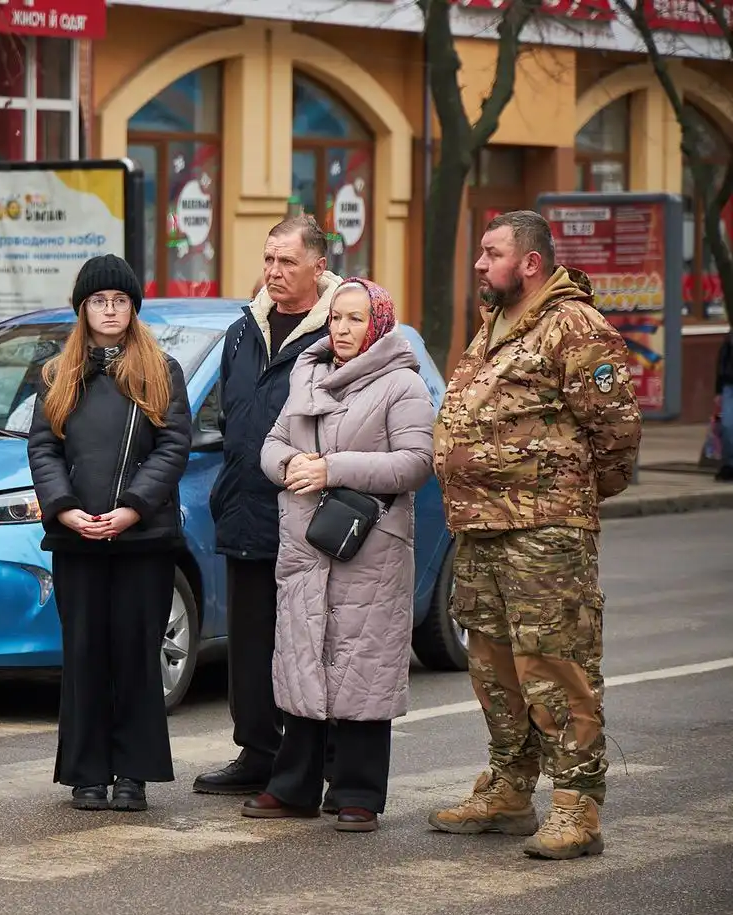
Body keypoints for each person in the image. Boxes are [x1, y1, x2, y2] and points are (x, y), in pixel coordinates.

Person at [429, 210, 642, 859]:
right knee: (493, 665)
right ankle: (509, 787)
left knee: (556, 663)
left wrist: (560, 494)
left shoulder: (573, 326)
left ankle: (577, 803)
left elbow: (617, 437)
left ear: (530, 262)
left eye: (491, 252)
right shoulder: (496, 324)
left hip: (545, 531)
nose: (478, 263)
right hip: (482, 528)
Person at [247, 278, 434, 832]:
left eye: (355, 319)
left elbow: (416, 464)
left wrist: (333, 467)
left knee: (363, 666)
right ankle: (295, 785)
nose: (343, 329)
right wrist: (290, 468)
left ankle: (357, 793)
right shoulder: (307, 373)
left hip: (369, 547)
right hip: (307, 544)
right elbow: (273, 445)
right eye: (335, 318)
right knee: (304, 660)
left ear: (378, 323)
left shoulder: (402, 384)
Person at [26, 254, 191, 812]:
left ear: (133, 308)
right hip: (78, 539)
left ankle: (134, 774)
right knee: (85, 654)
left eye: (120, 300)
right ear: (83, 309)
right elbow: (44, 448)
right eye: (100, 301)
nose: (111, 309)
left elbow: (173, 446)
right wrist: (65, 508)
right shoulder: (56, 373)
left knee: (135, 654)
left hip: (142, 539)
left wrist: (133, 509)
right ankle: (86, 772)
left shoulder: (162, 370)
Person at [195, 214, 344, 798]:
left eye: (287, 262)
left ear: (318, 266)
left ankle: (323, 762)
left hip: (310, 514)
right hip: (246, 508)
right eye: (268, 260)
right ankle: (257, 751)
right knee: (252, 642)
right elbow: (230, 413)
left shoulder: (339, 330)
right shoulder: (244, 329)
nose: (274, 272)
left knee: (312, 644)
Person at [716, 328, 733, 482]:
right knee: (727, 425)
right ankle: (729, 464)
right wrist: (718, 391)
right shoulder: (729, 336)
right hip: (729, 385)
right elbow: (722, 362)